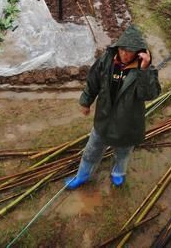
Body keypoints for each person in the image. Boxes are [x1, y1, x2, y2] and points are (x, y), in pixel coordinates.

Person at [65, 25, 161, 189]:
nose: (125, 54)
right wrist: (86, 101)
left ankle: (118, 173)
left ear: (139, 52)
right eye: (122, 49)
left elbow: (149, 95)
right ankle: (82, 175)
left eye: (130, 51)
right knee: (91, 150)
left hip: (128, 123)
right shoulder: (106, 60)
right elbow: (93, 81)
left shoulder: (145, 70)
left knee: (123, 152)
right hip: (104, 117)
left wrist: (144, 70)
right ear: (118, 47)